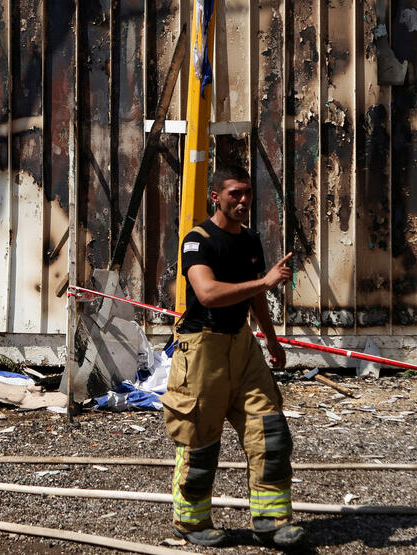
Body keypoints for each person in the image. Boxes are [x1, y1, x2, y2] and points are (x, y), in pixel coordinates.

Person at [161, 164, 306, 549]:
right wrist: (265, 281)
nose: (243, 201)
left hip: (242, 346)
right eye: (234, 194)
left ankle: (272, 521)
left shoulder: (250, 241)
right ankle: (191, 523)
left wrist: (272, 341)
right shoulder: (198, 241)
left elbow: (255, 296)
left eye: (246, 193)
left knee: (269, 432)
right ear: (216, 197)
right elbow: (206, 293)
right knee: (199, 440)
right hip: (202, 348)